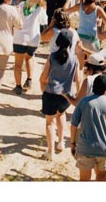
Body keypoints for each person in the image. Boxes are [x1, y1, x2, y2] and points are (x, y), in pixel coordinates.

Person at [39, 32, 80, 161]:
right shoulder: (74, 59)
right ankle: (61, 142)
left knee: (49, 123)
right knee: (61, 115)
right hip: (66, 95)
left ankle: (50, 152)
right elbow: (78, 79)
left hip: (51, 93)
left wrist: (43, 89)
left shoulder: (52, 57)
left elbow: (43, 77)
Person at [70, 74, 106, 181]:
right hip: (105, 148)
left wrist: (72, 143)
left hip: (85, 147)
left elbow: (73, 125)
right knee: (101, 177)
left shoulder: (83, 102)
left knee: (84, 179)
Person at [11, 0, 47, 94]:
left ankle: (18, 86)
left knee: (18, 63)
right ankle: (29, 79)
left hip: (20, 37)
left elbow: (14, 19)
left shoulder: (21, 5)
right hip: (33, 37)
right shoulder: (40, 7)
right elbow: (44, 22)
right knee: (29, 58)